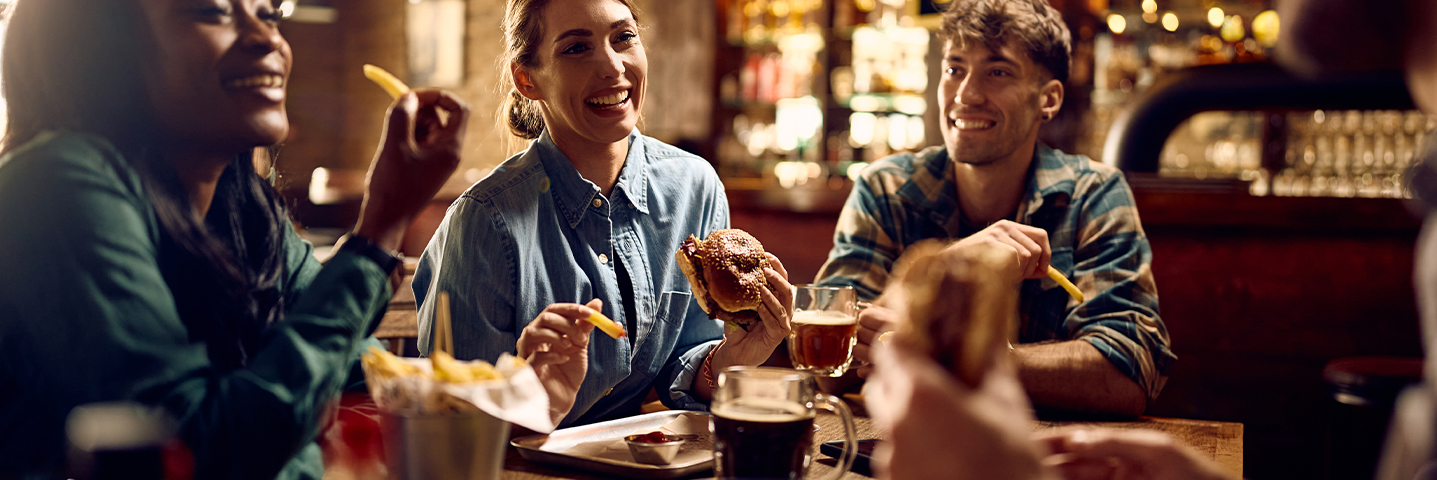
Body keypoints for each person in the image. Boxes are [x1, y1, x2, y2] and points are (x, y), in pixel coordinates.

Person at [0, 0, 468, 478]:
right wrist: (378, 232)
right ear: (101, 45)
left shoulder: (244, 208)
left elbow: (352, 367)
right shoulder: (53, 186)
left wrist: (523, 383)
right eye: (210, 11)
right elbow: (197, 454)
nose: (269, 40)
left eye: (269, 15)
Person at [411, 0, 795, 428]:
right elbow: (451, 420)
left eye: (624, 38)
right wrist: (525, 393)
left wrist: (731, 360)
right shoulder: (484, 222)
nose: (613, 67)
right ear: (527, 79)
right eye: (576, 48)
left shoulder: (695, 185)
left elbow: (683, 369)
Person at [815, 0, 1173, 416]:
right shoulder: (887, 187)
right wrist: (943, 267)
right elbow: (827, 360)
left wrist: (966, 357)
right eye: (954, 69)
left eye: (997, 71)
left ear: (1049, 99)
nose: (966, 94)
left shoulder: (1094, 194)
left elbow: (1129, 371)